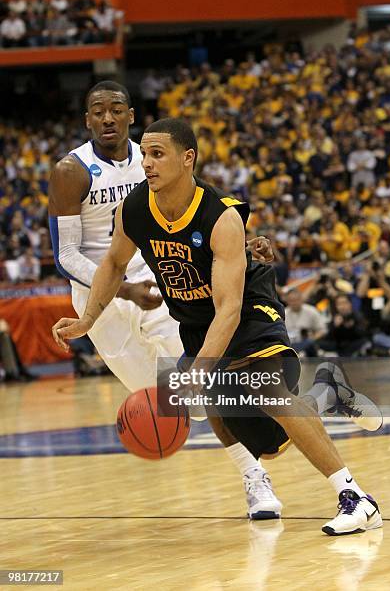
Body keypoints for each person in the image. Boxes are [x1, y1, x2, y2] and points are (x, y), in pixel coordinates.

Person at [52, 118, 383, 535]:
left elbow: (228, 308)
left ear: (187, 158)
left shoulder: (221, 216)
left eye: (157, 154)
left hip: (247, 311)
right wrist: (87, 320)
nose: (147, 163)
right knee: (260, 435)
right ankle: (327, 393)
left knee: (270, 392)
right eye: (146, 154)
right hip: (195, 321)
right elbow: (114, 264)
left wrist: (202, 367)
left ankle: (356, 498)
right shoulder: (135, 209)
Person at [48, 81, 285, 520]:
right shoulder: (71, 171)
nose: (107, 118)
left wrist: (242, 243)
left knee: (203, 386)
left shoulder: (154, 158)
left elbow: (206, 209)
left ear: (131, 116)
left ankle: (254, 479)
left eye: (116, 109)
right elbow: (65, 255)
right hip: (102, 301)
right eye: (97, 111)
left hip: (159, 283)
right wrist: (122, 291)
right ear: (87, 120)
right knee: (167, 404)